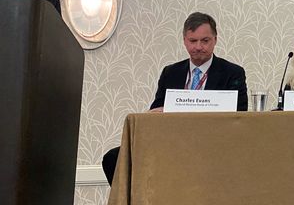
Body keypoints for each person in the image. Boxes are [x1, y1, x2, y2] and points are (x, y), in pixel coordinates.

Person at [102, 12, 248, 184]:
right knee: (112, 158)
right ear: (184, 41)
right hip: (171, 142)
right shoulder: (171, 72)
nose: (199, 46)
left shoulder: (232, 73)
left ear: (215, 40)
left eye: (205, 40)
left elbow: (240, 116)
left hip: (212, 145)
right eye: (193, 41)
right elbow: (157, 110)